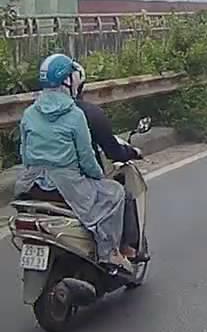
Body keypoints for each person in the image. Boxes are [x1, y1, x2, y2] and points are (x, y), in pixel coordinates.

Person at [15, 54, 130, 272]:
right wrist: (99, 177)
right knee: (115, 193)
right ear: (68, 80)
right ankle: (109, 253)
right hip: (66, 186)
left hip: (31, 185)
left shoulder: (29, 113)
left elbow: (25, 154)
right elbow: (86, 158)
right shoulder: (75, 115)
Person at [69, 61, 144, 260]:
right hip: (73, 181)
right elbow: (94, 157)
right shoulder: (84, 115)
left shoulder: (33, 113)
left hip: (37, 183)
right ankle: (121, 249)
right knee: (120, 194)